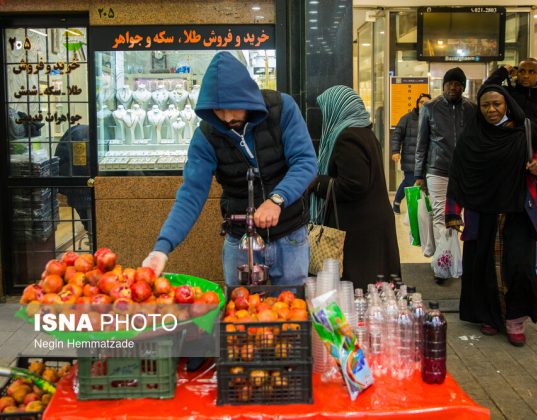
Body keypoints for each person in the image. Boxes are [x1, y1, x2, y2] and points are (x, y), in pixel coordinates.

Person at [142, 52, 317, 286]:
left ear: (247, 96)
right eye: (217, 110)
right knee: (237, 314)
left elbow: (305, 162)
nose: (226, 118)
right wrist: (162, 248)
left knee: (292, 313)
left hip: (290, 237)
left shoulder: (282, 108)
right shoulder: (206, 136)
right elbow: (191, 195)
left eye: (232, 108)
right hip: (240, 242)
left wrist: (277, 199)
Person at [445, 84, 537, 347]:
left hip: (517, 211)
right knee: (483, 268)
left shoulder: (523, 129)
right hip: (482, 214)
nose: (491, 110)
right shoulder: (471, 137)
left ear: (506, 105)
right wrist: (452, 212)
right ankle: (489, 316)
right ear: (478, 108)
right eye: (485, 105)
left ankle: (515, 320)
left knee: (518, 267)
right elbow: (458, 176)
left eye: (497, 104)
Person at [485, 59, 537, 294]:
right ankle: (514, 270)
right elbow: (487, 91)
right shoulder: (509, 94)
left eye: (531, 72)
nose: (526, 76)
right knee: (512, 220)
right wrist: (502, 71)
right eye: (521, 71)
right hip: (512, 167)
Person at [310, 85, 400, 291]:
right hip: (371, 224)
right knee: (376, 286)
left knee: (360, 287)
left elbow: (354, 184)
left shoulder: (347, 137)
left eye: (327, 110)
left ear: (337, 109)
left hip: (360, 228)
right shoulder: (365, 133)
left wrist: (318, 183)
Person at [414, 67, 476, 284]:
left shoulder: (472, 109)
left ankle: (454, 260)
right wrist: (419, 174)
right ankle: (443, 263)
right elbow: (421, 144)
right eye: (450, 83)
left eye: (458, 84)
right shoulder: (430, 108)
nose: (454, 87)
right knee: (441, 218)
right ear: (444, 85)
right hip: (437, 170)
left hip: (466, 171)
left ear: (463, 87)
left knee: (462, 218)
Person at [391, 93, 432, 214]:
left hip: (428, 159)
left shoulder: (433, 118)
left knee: (427, 183)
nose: (424, 104)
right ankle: (397, 202)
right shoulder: (407, 118)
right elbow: (397, 135)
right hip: (411, 158)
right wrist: (395, 151)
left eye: (427, 102)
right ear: (417, 104)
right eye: (421, 102)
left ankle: (423, 208)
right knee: (409, 182)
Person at [54, 124, 92, 249]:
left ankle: (92, 239)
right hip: (81, 184)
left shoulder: (78, 132)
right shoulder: (81, 136)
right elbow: (80, 164)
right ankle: (93, 241)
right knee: (89, 217)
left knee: (88, 218)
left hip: (76, 184)